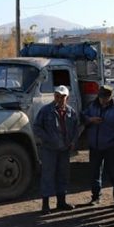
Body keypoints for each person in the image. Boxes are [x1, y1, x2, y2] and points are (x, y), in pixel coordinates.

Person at [33, 85, 80, 214]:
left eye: (62, 96)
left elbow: (76, 129)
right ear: (54, 96)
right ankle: (45, 205)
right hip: (49, 149)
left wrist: (73, 142)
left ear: (67, 98)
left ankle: (61, 202)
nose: (59, 99)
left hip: (64, 149)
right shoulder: (45, 111)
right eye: (57, 96)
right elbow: (37, 127)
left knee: (63, 175)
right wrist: (47, 138)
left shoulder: (71, 112)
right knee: (48, 175)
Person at [82, 85, 114, 208]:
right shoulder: (92, 105)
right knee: (95, 173)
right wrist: (90, 120)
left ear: (110, 97)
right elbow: (83, 116)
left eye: (105, 98)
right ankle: (96, 197)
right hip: (95, 146)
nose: (103, 100)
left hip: (111, 146)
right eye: (101, 97)